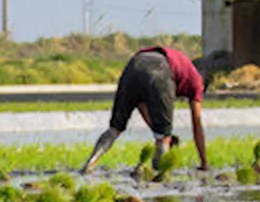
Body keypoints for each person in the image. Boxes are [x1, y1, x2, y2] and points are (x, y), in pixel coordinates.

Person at [80, 46, 208, 173]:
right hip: (160, 68)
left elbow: (141, 103)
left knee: (115, 128)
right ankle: (159, 176)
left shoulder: (182, 65)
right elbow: (196, 122)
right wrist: (204, 162)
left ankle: (90, 163)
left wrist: (156, 128)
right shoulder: (197, 81)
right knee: (163, 138)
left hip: (134, 66)